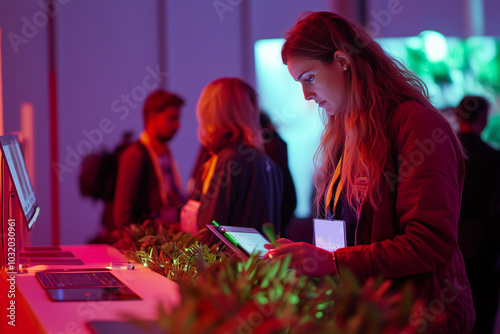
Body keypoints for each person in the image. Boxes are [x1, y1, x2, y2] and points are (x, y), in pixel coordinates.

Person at [264, 11, 475, 333]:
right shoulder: (345, 134)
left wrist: (333, 263)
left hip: (416, 316)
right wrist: (312, 259)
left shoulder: (414, 125)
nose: (306, 95)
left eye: (309, 78)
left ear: (342, 61)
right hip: (365, 312)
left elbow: (428, 243)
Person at [185, 77, 283, 238]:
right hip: (261, 261)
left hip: (229, 262)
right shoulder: (266, 160)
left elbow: (209, 234)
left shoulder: (227, 159)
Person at [455, 96, 500, 334]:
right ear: (482, 118)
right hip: (483, 249)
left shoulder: (444, 151)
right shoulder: (494, 158)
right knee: (481, 316)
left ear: (459, 116)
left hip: (446, 243)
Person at [113, 89, 186, 229]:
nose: (178, 125)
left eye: (178, 119)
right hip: (143, 247)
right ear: (152, 117)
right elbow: (123, 218)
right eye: (171, 118)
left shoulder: (165, 155)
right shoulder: (134, 155)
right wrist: (165, 229)